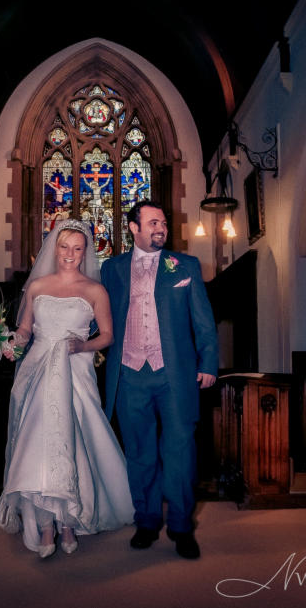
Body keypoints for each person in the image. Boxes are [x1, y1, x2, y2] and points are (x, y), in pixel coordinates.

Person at [0, 219, 134, 558]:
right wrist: (9, 343)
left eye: (77, 248)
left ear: (86, 252)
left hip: (75, 369)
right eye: (64, 247)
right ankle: (46, 525)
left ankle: (70, 520)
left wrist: (81, 347)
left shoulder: (94, 290)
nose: (70, 254)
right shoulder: (38, 286)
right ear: (53, 248)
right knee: (39, 443)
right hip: (39, 369)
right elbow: (25, 330)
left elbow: (107, 336)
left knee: (73, 439)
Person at [100, 200, 218, 559]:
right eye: (152, 223)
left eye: (163, 223)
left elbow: (204, 321)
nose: (160, 229)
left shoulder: (186, 266)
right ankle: (147, 521)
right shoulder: (112, 269)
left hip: (175, 375)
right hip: (129, 374)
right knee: (140, 452)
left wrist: (209, 363)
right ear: (133, 228)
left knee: (180, 452)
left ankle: (182, 526)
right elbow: (99, 318)